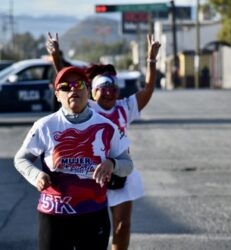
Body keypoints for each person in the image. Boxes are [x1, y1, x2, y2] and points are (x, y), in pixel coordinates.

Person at [46, 33, 161, 250]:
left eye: (113, 89)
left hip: (118, 170)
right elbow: (66, 83)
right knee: (88, 228)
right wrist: (55, 57)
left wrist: (151, 60)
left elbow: (148, 89)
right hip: (90, 174)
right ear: (92, 92)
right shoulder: (87, 106)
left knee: (122, 225)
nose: (108, 94)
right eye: (103, 89)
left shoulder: (125, 107)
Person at [14, 66, 134, 250]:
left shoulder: (107, 127)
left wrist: (112, 163)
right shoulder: (45, 125)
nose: (72, 89)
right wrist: (36, 176)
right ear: (57, 95)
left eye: (78, 84)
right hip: (54, 215)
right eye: (65, 86)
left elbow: (128, 165)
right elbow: (21, 159)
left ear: (88, 90)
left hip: (93, 213)